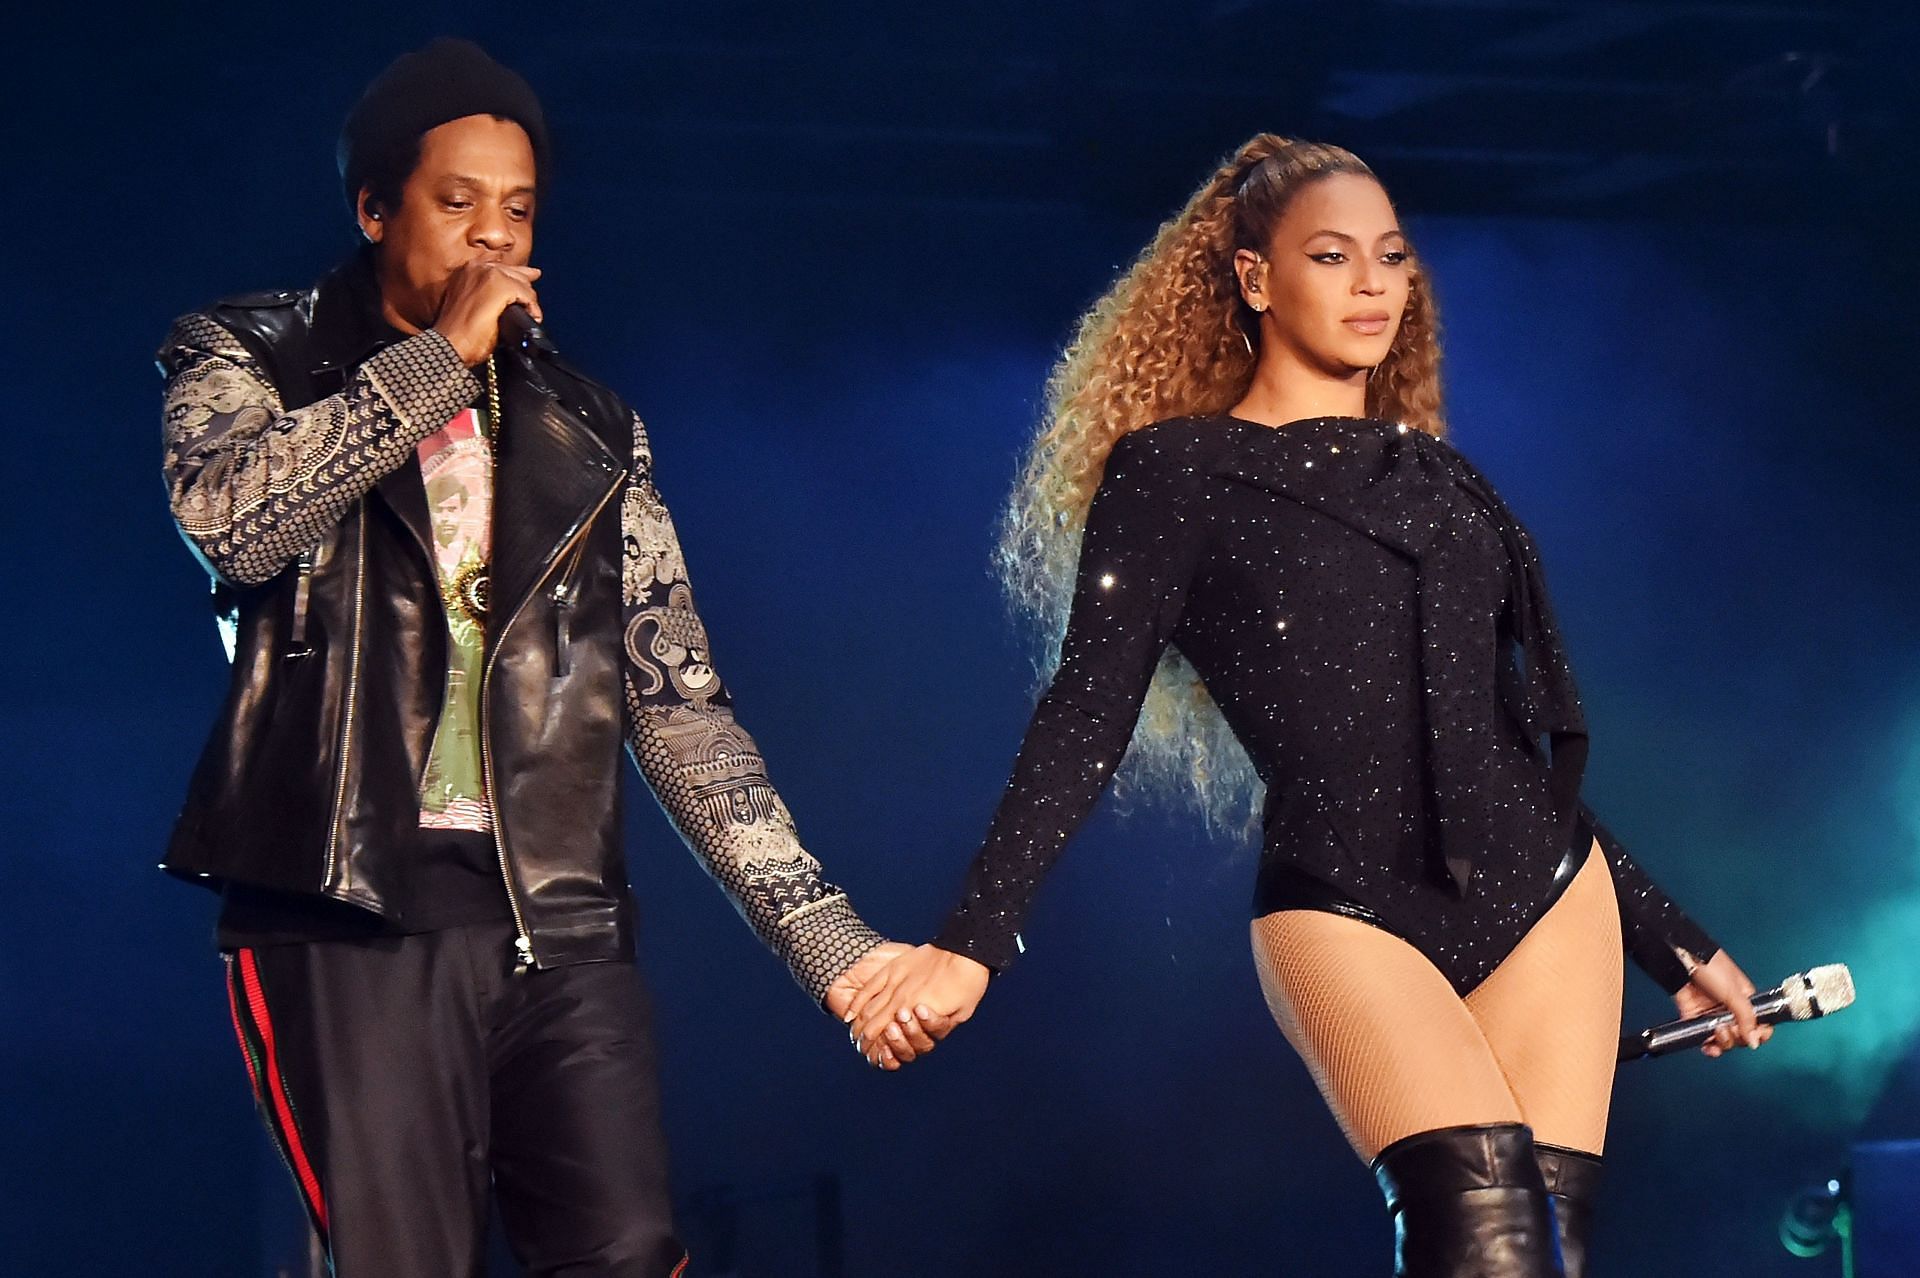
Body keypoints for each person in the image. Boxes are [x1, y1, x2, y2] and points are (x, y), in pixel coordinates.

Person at [847, 135, 1770, 1275]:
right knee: (1482, 1240)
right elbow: (1086, 712)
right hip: (1344, 907)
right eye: (1332, 256)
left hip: (1548, 898)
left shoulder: (1445, 482)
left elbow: (1501, 749)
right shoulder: (1175, 472)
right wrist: (971, 943)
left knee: (1551, 1258)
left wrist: (1671, 940)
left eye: (1390, 255)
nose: (1374, 282)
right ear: (1253, 280)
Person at [158, 38, 939, 1278]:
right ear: (374, 208)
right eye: (453, 202)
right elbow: (234, 521)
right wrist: (433, 369)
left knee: (630, 1250)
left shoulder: (591, 427)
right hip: (341, 910)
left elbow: (680, 703)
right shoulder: (246, 352)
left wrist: (835, 953)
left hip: (558, 925)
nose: (488, 238)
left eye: (514, 211)